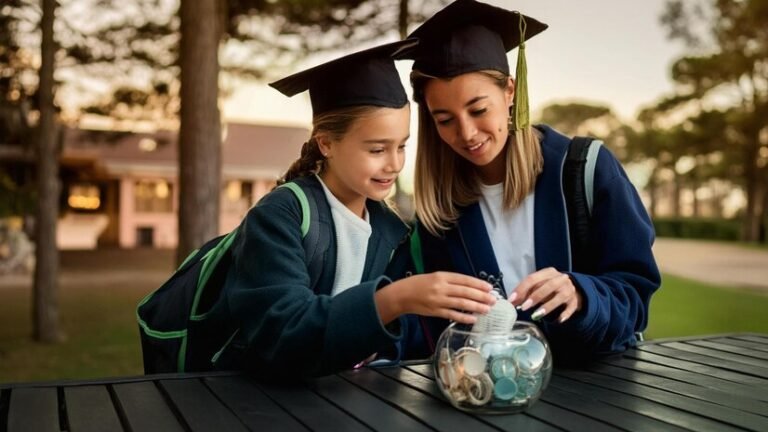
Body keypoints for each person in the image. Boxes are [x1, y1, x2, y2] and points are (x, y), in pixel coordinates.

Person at [209, 40, 498, 378]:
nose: (394, 165)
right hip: (254, 403)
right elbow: (279, 335)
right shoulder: (282, 215)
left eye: (402, 146)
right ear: (327, 143)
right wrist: (392, 299)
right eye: (377, 150)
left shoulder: (392, 230)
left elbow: (399, 343)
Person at [393, 0, 661, 363]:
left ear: (509, 91)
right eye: (445, 120)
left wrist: (583, 294)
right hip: (489, 396)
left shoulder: (585, 169)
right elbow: (433, 332)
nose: (467, 133)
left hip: (595, 392)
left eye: (478, 110)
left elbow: (635, 294)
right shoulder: (438, 212)